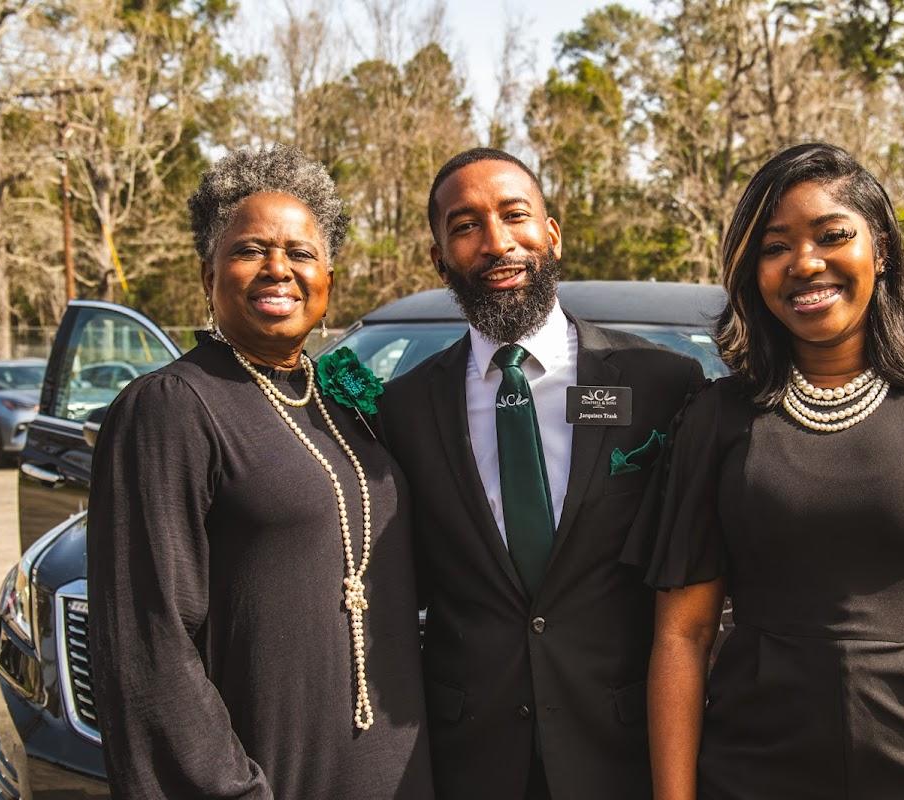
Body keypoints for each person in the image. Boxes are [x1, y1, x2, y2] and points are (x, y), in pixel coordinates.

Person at [626, 142, 904, 800]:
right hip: (751, 774)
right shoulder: (716, 422)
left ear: (884, 250)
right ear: (753, 271)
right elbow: (683, 635)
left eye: (832, 235)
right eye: (775, 246)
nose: (805, 263)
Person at [87, 145, 433, 799]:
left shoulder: (338, 403)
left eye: (301, 253)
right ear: (207, 272)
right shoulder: (171, 407)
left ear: (329, 276)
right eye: (251, 250)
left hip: (397, 773)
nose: (279, 269)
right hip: (273, 777)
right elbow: (149, 645)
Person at [377, 148, 705, 800]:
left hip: (621, 749)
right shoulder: (405, 408)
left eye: (514, 215)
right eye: (465, 225)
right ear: (439, 258)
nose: (496, 242)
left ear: (551, 233)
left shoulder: (659, 385)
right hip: (468, 757)